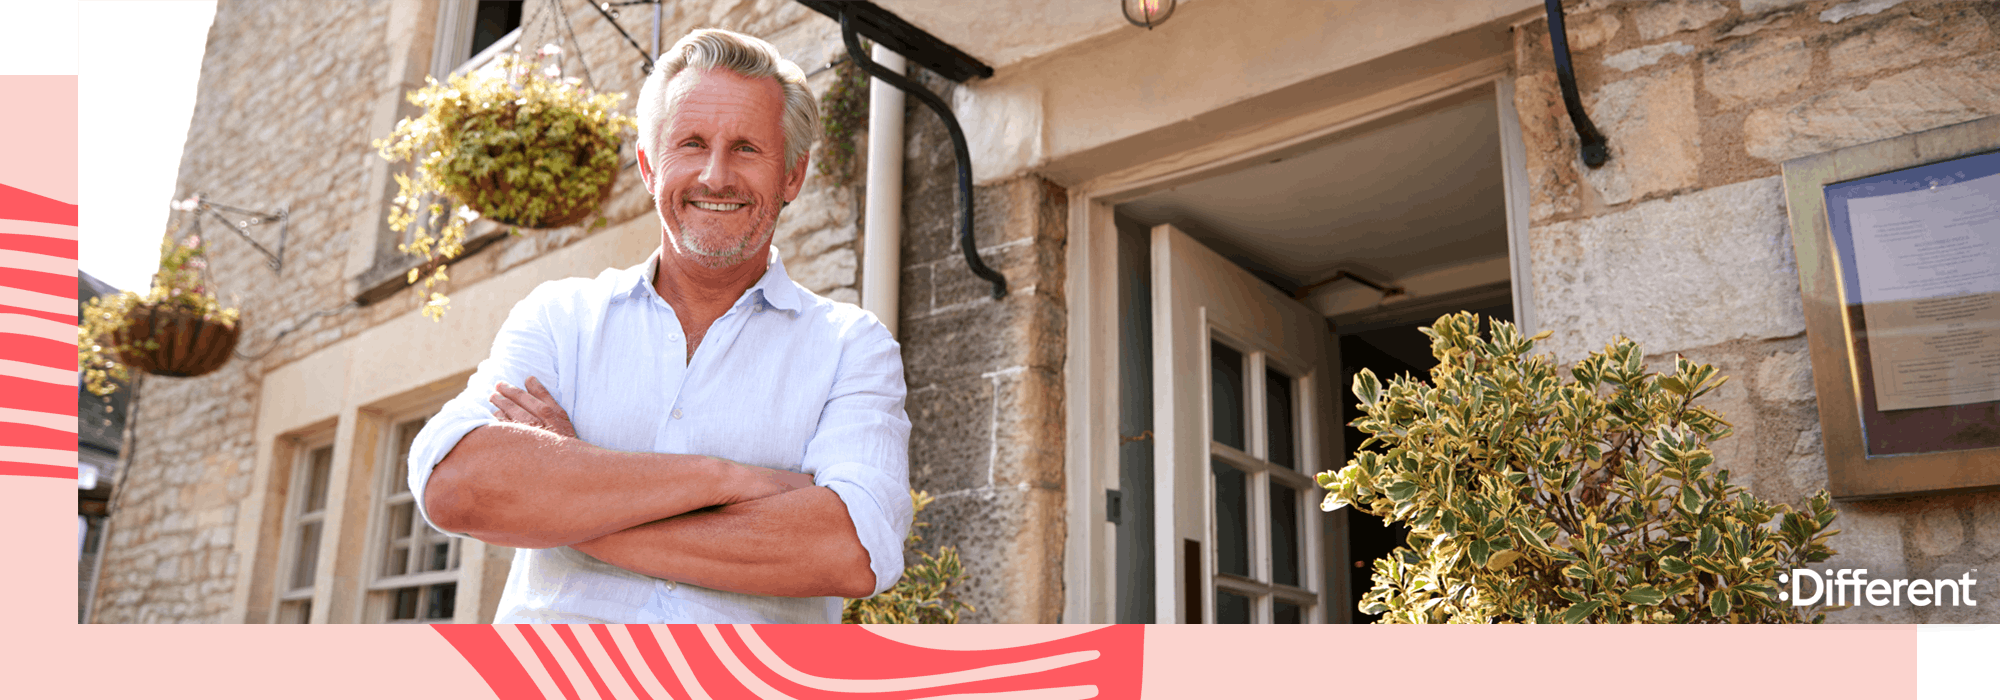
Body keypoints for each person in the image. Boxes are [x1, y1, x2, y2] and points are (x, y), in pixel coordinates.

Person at [407, 28, 912, 624]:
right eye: (691, 144)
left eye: (747, 148)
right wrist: (728, 478)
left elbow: (848, 549)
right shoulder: (561, 317)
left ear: (792, 177)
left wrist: (567, 500)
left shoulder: (852, 346)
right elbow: (458, 484)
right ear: (649, 166)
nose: (715, 176)